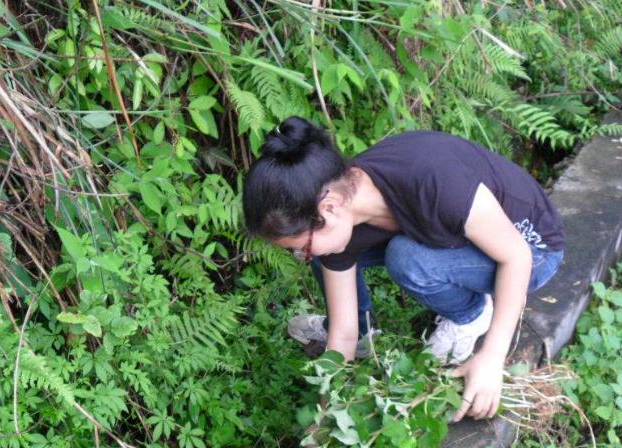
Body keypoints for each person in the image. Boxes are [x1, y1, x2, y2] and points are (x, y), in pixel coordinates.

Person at [242, 116, 565, 421]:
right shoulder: (344, 202)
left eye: (301, 247)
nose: (301, 256)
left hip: (532, 249)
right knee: (330, 260)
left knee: (407, 258)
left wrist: (493, 358)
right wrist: (328, 416)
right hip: (456, 234)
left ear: (328, 208)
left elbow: (516, 257)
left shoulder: (434, 182)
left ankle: (469, 315)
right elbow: (342, 333)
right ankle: (368, 334)